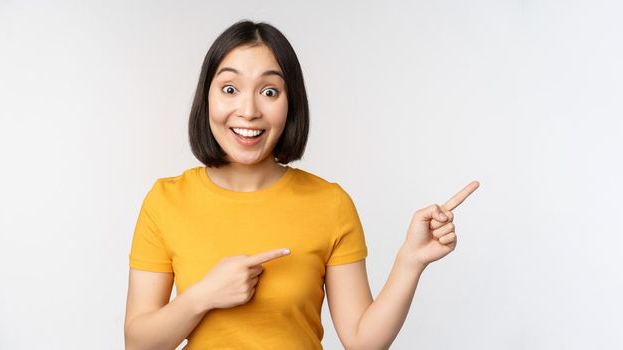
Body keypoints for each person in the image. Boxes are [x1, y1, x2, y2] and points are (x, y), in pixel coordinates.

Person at [123, 19, 479, 350]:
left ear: (290, 104)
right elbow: (138, 344)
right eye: (229, 88)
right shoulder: (166, 201)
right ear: (206, 98)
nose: (248, 110)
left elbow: (362, 340)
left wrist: (410, 260)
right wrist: (203, 296)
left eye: (269, 91)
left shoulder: (330, 203)